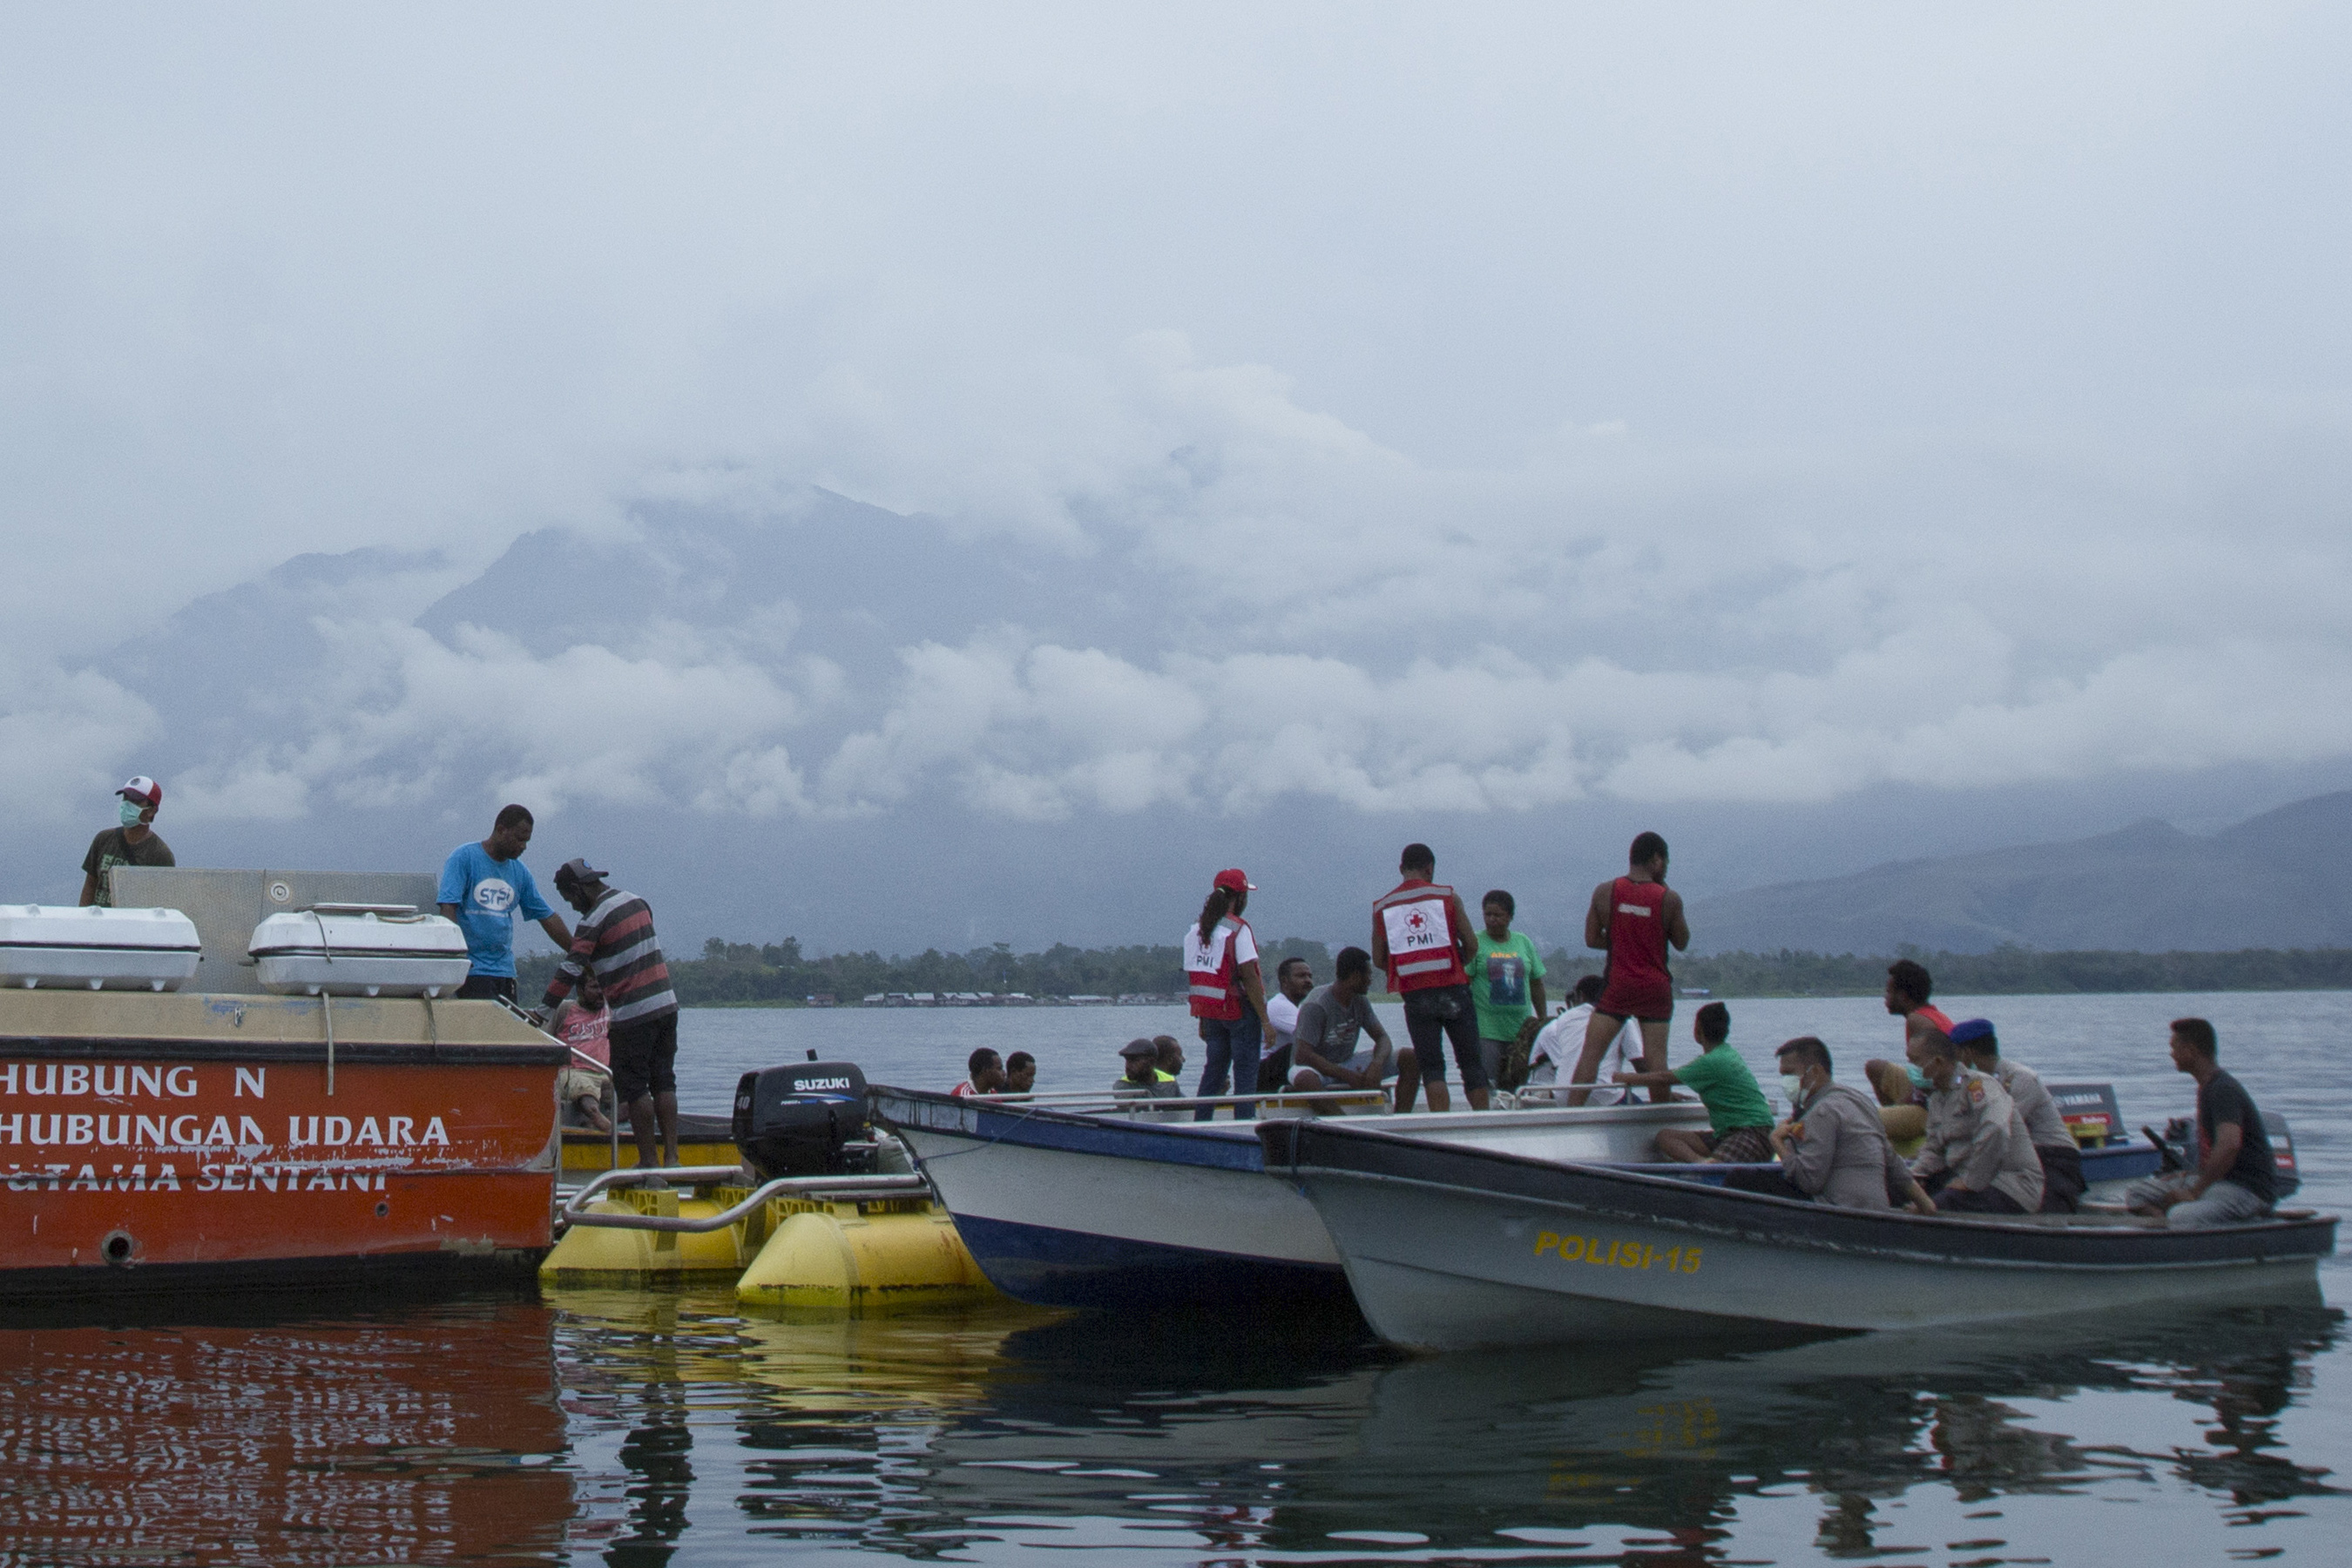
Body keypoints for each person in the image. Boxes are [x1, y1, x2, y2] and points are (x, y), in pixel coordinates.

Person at [539, 859, 680, 1168]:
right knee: (664, 1083)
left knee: (636, 1089)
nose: (573, 907)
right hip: (666, 1006)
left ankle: (649, 1163)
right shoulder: (637, 901)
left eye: (569, 899)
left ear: (577, 889)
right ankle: (672, 1158)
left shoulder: (592, 920)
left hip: (633, 1015)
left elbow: (570, 969)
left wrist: (543, 1010)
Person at [1568, 832, 1689, 1106]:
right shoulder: (1669, 898)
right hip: (1654, 987)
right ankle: (1659, 1118)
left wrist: (1622, 942)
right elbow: (1682, 942)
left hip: (1619, 984)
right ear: (1657, 860)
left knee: (1591, 1055)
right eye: (1666, 864)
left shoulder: (1605, 891)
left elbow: (1591, 939)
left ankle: (1569, 1115)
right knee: (1657, 1060)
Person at [2125, 1017, 2278, 1228]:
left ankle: (2187, 1228)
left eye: (2174, 1048)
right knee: (2137, 1195)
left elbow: (2229, 1145)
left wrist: (2194, 1193)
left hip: (2245, 1188)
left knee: (2182, 1216)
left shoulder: (2223, 1089)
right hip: (2216, 1182)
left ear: (2191, 1050)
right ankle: (2170, 1234)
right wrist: (2192, 1178)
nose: (2171, 1054)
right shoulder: (2207, 1088)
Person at [1372, 843, 1485, 1112]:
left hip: (1416, 996)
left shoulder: (1384, 906)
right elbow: (1472, 944)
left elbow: (1378, 959)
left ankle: (1442, 1126)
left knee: (1432, 1068)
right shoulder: (1448, 897)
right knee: (1471, 1064)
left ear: (1401, 868)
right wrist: (1457, 962)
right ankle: (1484, 1120)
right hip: (1454, 990)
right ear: (1430, 868)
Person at [1768, 1036, 1934, 1213]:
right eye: (1783, 1076)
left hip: (1841, 1212)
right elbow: (1892, 1161)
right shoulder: (1859, 1100)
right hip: (1877, 1211)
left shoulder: (1822, 1112)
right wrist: (1925, 1204)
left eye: (1790, 1074)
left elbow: (1809, 1181)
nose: (1785, 1082)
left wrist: (1778, 1142)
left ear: (1815, 1071)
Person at [437, 805, 573, 1003]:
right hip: (472, 972)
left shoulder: (520, 872)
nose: (523, 847)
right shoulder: (464, 858)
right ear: (501, 830)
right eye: (519, 839)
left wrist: (578, 954)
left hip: (505, 972)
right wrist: (455, 957)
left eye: (526, 841)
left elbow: (547, 917)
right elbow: (448, 907)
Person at [1905, 1025, 2043, 1214]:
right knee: (1902, 1193)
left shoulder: (1979, 1085)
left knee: (1939, 1205)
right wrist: (1913, 1176)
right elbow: (1934, 1149)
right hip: (1968, 1180)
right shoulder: (1938, 1098)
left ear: (1938, 1061)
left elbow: (1995, 1128)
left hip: (2010, 1185)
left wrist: (1970, 1181)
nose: (1910, 1067)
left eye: (1915, 1061)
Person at [1950, 1018, 2083, 1213]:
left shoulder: (2021, 1079)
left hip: (2052, 1155)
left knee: (2043, 1211)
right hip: (2015, 1156)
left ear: (1967, 1053)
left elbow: (2002, 1127)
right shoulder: (1976, 1083)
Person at [1615, 1002, 1774, 1164]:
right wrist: (1669, 1095)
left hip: (1752, 1132)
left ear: (1698, 1031)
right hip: (1726, 1134)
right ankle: (1701, 1163)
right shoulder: (1727, 1052)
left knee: (1719, 1168)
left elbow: (1663, 1078)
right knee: (1666, 1137)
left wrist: (1623, 1078)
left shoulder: (1713, 1061)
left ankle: (1709, 1167)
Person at [1184, 868, 1278, 1121]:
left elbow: (1200, 975)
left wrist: (1203, 1019)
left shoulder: (1197, 929)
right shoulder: (1237, 929)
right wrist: (1266, 1021)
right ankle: (1244, 1126)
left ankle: (1200, 1124)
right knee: (1245, 1074)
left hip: (1211, 1013)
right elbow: (1249, 976)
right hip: (1239, 1012)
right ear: (1240, 898)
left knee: (1213, 1072)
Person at [1288, 946, 1397, 1095]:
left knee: (1408, 1057)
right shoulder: (1317, 1004)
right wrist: (1347, 1075)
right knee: (1305, 1078)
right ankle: (1334, 1110)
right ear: (1355, 976)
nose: (1370, 980)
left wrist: (1377, 1064)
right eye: (1368, 975)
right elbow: (1303, 1055)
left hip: (1346, 1061)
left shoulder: (1360, 1001)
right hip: (1315, 1068)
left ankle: (1401, 1110)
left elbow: (1382, 1038)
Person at [1470, 889, 1548, 1089]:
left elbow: (1536, 984)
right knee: (1489, 1085)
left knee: (1519, 1085)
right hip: (1487, 1031)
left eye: (1498, 915)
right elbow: (1464, 983)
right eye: (1488, 914)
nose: (1492, 920)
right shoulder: (1475, 942)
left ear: (1510, 916)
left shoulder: (1523, 942)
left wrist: (1542, 1020)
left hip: (1520, 1032)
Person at [1524, 976, 1641, 1099]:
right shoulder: (1621, 1020)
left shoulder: (1562, 1021)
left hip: (1564, 1092)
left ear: (1581, 996)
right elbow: (1640, 1065)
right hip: (1553, 1090)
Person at [1867, 958, 1955, 1105]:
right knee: (1875, 1068)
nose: (1885, 997)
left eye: (1889, 992)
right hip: (1929, 1088)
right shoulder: (1934, 1015)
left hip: (1938, 1098)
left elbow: (1928, 1082)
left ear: (1903, 997)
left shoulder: (1916, 1020)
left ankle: (1898, 1117)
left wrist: (1897, 1108)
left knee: (1880, 1117)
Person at [79, 776, 175, 908]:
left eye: (135, 801)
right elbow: (90, 884)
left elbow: (162, 901)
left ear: (152, 810)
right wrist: (83, 915)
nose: (127, 804)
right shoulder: (103, 839)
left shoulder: (160, 854)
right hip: (99, 918)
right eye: (125, 798)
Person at [550, 968, 614, 1132]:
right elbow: (544, 1039)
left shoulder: (609, 1011)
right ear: (580, 990)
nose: (600, 993)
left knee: (632, 1093)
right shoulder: (564, 1009)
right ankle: (605, 1127)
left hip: (604, 1073)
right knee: (585, 1091)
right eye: (594, 987)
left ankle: (599, 1126)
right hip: (573, 1072)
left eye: (603, 987)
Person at [1259, 956, 1315, 1089]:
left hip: (1278, 1069)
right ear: (1285, 981)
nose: (1308, 980)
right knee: (1303, 1048)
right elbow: (1312, 1037)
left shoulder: (1298, 1008)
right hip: (1265, 1073)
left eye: (1309, 976)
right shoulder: (1280, 1006)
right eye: (1301, 976)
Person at [1112, 1037, 1183, 1114]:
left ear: (1151, 1062)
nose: (1128, 1066)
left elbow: (1185, 1104)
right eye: (1127, 1060)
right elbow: (1130, 1112)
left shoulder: (1170, 1082)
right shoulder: (1123, 1085)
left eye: (1134, 1060)